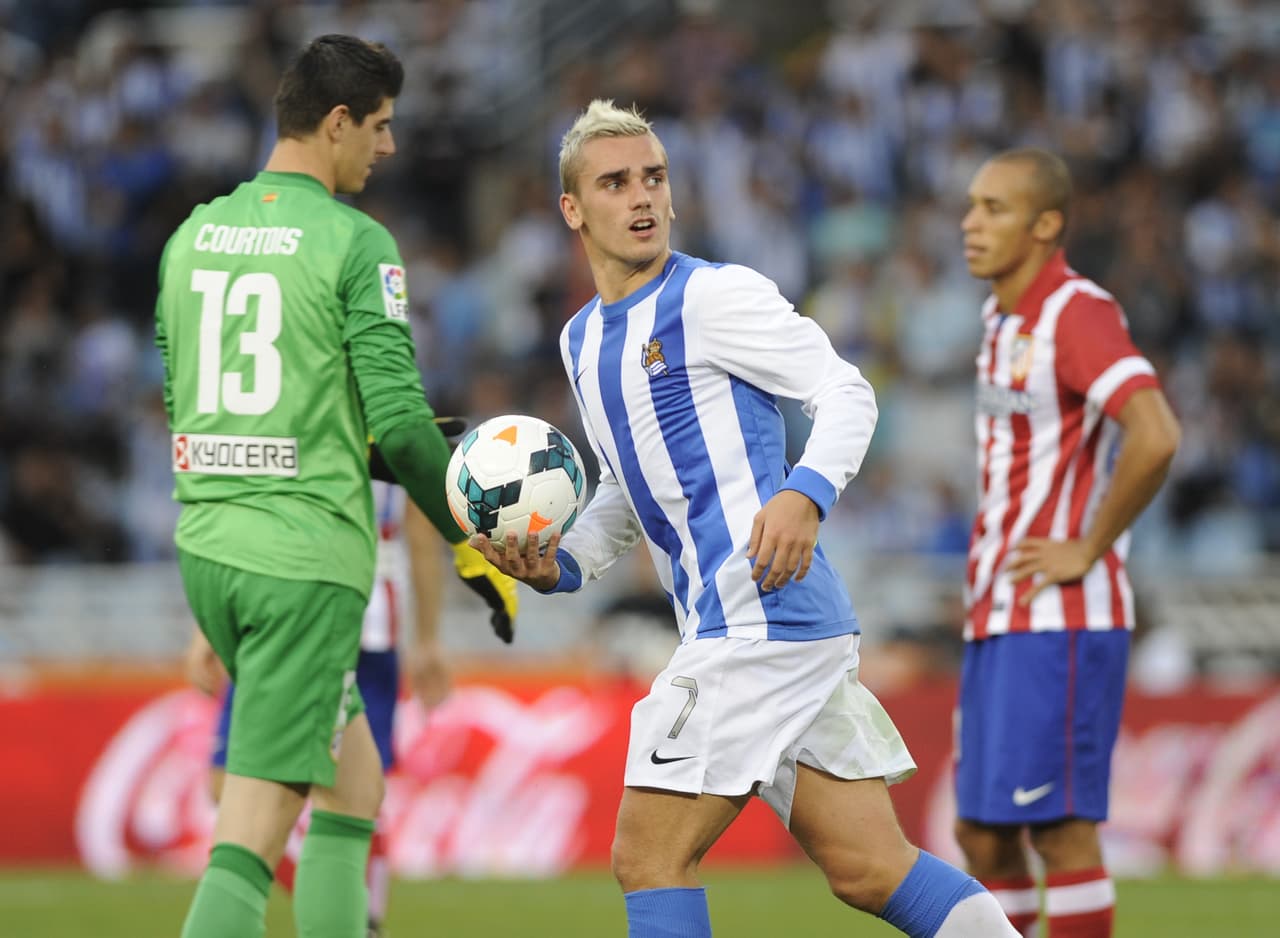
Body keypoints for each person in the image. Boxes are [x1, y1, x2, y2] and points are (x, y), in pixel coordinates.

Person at [472, 98, 1021, 938]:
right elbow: (628, 485)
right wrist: (565, 562)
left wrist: (806, 492)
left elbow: (846, 390)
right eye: (615, 183)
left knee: (647, 856)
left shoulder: (715, 298)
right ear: (573, 211)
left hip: (758, 625)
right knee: (871, 868)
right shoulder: (582, 340)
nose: (642, 196)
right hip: (765, 628)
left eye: (653, 176)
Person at [155, 35, 515, 938]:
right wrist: (478, 543)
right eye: (382, 127)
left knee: (353, 787)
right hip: (305, 571)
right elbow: (397, 420)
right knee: (252, 833)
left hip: (211, 552)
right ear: (338, 121)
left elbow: (189, 407)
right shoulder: (358, 243)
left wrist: (355, 451)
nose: (388, 149)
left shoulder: (190, 239)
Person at [955, 148, 1181, 938]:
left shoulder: (1075, 312)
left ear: (1047, 225)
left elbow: (1154, 434)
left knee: (1057, 831)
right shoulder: (999, 318)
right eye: (972, 205)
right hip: (997, 612)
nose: (970, 223)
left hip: (1061, 618)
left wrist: (1087, 546)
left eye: (994, 209)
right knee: (980, 836)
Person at [185, 481, 449, 938]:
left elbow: (248, 500)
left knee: (328, 791)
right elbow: (421, 533)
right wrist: (426, 638)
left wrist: (427, 639)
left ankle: (359, 918)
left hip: (301, 608)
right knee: (354, 788)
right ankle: (360, 917)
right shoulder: (393, 415)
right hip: (343, 611)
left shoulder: (312, 414)